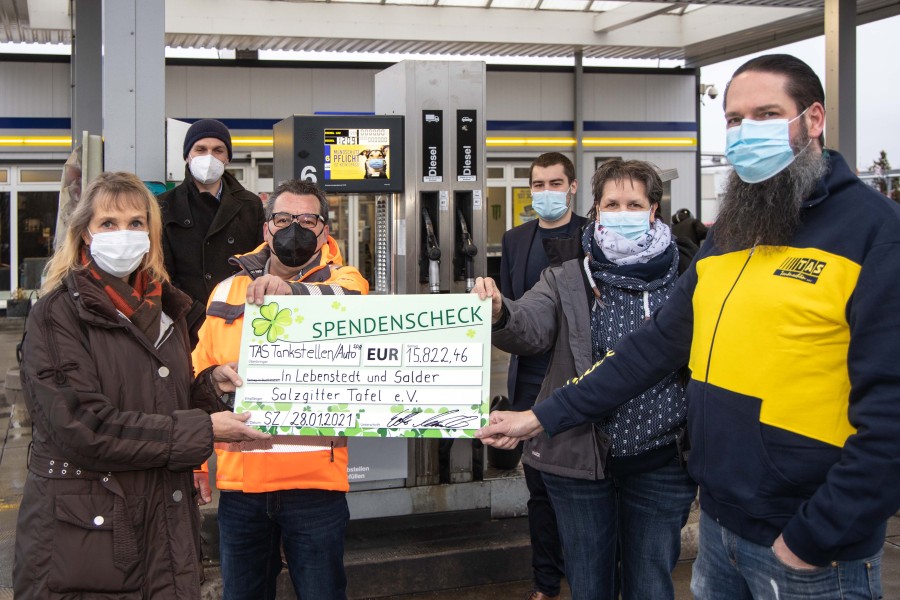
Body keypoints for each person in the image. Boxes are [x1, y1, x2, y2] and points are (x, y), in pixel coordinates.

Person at [476, 54, 900, 600]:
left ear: (812, 120)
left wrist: (816, 536)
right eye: (733, 120)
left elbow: (891, 414)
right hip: (722, 529)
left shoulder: (874, 234)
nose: (746, 134)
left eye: (766, 115)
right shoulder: (732, 236)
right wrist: (539, 416)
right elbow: (648, 351)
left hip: (806, 548)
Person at [14, 172, 269, 600]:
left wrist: (209, 388)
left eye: (136, 223)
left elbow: (160, 400)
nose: (124, 234)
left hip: (161, 524)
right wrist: (206, 431)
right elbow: (83, 426)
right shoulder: (58, 315)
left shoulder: (167, 309)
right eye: (108, 223)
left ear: (151, 235)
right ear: (85, 236)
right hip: (87, 538)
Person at [475, 159, 697, 600]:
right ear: (595, 209)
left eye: (634, 203)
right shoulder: (568, 276)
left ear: (654, 209)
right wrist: (502, 312)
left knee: (650, 582)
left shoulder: (685, 277)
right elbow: (531, 326)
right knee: (589, 581)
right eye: (612, 203)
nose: (622, 211)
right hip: (577, 458)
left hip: (662, 460)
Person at [191, 178, 369, 600]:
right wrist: (197, 461)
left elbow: (351, 302)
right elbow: (196, 377)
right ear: (267, 228)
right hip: (241, 485)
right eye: (284, 218)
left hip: (315, 486)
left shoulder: (347, 280)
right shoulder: (226, 291)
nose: (295, 229)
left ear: (325, 230)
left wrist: (288, 291)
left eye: (308, 219)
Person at [499, 151, 586, 600]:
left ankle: (588, 577)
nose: (546, 192)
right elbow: (510, 312)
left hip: (580, 379)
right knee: (539, 492)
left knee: (581, 488)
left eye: (555, 183)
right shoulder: (516, 240)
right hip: (529, 381)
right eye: (538, 185)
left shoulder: (594, 234)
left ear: (572, 187)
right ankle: (546, 584)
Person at [158, 118, 266, 347]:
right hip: (185, 324)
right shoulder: (164, 206)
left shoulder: (250, 205)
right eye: (200, 149)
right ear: (187, 156)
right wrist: (196, 316)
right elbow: (161, 276)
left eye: (218, 150)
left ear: (227, 158)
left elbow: (262, 264)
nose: (209, 156)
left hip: (240, 320)